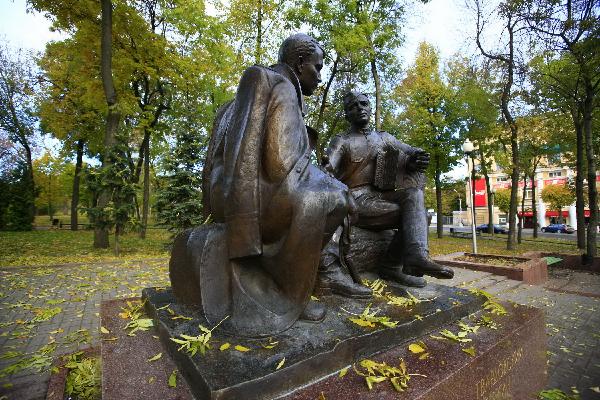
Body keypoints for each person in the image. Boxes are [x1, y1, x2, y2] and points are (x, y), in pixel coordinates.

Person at [192, 33, 352, 337]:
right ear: (299, 62)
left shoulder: (241, 96)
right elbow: (283, 164)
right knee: (338, 198)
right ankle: (289, 289)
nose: (319, 78)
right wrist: (331, 182)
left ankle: (301, 271)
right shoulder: (281, 88)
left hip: (227, 196)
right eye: (317, 68)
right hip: (253, 197)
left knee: (325, 193)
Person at [322, 91, 453, 287]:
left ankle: (410, 259)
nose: (359, 108)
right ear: (347, 114)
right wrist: (325, 166)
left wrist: (417, 158)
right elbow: (328, 168)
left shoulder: (383, 138)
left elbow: (409, 152)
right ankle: (394, 266)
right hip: (355, 200)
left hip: (379, 196)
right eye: (353, 106)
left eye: (363, 103)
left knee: (415, 197)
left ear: (370, 107)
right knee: (417, 217)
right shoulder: (342, 140)